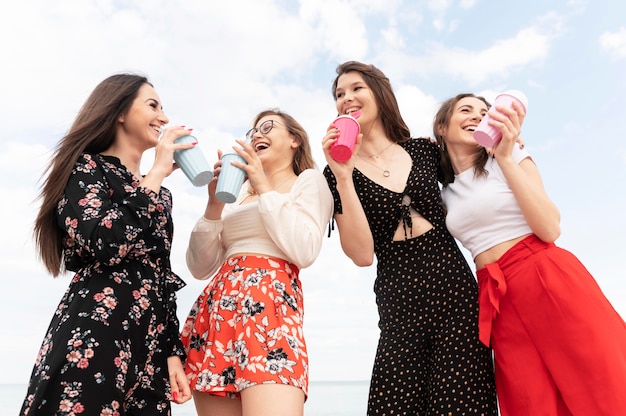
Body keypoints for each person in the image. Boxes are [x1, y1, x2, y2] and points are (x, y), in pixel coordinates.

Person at [321, 61, 497, 415]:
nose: (346, 98)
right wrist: (342, 174)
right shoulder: (335, 172)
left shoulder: (424, 150)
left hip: (455, 292)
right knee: (394, 404)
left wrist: (505, 142)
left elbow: (477, 169)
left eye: (356, 88)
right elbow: (360, 255)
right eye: (339, 94)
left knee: (463, 404)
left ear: (379, 94)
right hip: (399, 299)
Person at [435, 92, 626, 415]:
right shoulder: (442, 189)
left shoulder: (511, 157)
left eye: (483, 113)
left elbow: (549, 228)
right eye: (465, 110)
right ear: (442, 126)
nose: (475, 116)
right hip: (497, 299)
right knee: (530, 400)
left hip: (545, 276)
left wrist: (506, 157)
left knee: (598, 382)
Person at [20, 74, 193, 415]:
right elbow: (106, 242)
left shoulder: (161, 195)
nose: (165, 117)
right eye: (153, 105)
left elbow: (159, 275)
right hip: (95, 334)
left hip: (149, 351)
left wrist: (172, 352)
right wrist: (156, 173)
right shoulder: (84, 167)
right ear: (120, 112)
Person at [180, 109, 333, 416]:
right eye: (252, 132)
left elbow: (305, 250)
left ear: (294, 140)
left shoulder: (308, 181)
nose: (257, 135)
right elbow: (199, 267)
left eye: (267, 127)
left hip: (271, 314)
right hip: (218, 314)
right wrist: (213, 206)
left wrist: (264, 187)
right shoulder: (236, 196)